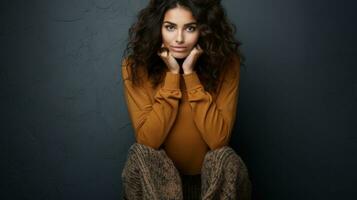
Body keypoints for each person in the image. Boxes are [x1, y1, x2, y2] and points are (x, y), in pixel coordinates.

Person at [121, 0, 251, 199]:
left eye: (190, 28)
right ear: (157, 28)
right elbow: (148, 141)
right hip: (158, 186)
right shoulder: (135, 67)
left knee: (224, 158)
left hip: (213, 183)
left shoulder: (226, 64)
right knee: (140, 155)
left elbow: (218, 141)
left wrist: (189, 75)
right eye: (170, 27)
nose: (179, 38)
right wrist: (173, 75)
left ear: (204, 30)